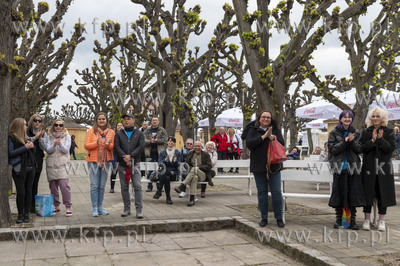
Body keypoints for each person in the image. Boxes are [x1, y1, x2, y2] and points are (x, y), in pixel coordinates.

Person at [246, 111, 285, 228]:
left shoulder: (275, 129)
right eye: (264, 117)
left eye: (268, 117)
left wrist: (274, 137)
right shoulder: (253, 130)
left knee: (277, 192)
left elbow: (282, 143)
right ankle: (264, 217)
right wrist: (264, 136)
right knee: (262, 192)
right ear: (259, 118)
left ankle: (279, 217)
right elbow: (249, 144)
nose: (266, 119)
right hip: (258, 166)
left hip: (274, 166)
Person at [360, 107, 396, 231]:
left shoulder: (389, 132)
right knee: (368, 193)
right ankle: (367, 219)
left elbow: (390, 149)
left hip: (384, 168)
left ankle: (381, 221)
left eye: (378, 116)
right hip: (369, 167)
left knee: (383, 193)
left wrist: (380, 140)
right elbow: (362, 148)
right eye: (373, 116)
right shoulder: (366, 132)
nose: (375, 119)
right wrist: (372, 140)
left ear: (382, 118)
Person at [327, 110, 365, 230]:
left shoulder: (356, 132)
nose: (347, 119)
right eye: (345, 117)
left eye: (349, 117)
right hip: (339, 168)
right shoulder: (334, 132)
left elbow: (360, 149)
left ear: (352, 119)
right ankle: (339, 220)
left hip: (352, 168)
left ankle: (352, 221)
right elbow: (332, 150)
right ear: (341, 119)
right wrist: (345, 141)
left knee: (352, 195)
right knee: (339, 194)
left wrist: (352, 141)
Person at [84, 112, 115, 217]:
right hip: (93, 162)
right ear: (96, 121)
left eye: (103, 119)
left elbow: (112, 148)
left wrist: (108, 144)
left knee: (101, 186)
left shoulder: (111, 132)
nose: (101, 121)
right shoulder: (91, 131)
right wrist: (96, 143)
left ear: (107, 120)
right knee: (94, 186)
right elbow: (86, 146)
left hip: (106, 162)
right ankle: (94, 208)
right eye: (99, 119)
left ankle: (100, 207)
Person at [114, 113, 145, 218]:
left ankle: (139, 210)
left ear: (133, 120)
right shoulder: (118, 133)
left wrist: (131, 157)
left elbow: (141, 147)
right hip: (123, 164)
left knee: (137, 186)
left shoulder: (139, 133)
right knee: (124, 187)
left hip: (135, 164)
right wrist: (124, 157)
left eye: (128, 119)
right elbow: (117, 147)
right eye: (124, 119)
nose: (126, 121)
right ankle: (127, 209)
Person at [8, 118, 37, 223]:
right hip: (18, 169)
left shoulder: (26, 137)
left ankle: (26, 214)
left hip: (30, 167)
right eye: (25, 124)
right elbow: (11, 153)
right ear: (19, 126)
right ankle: (20, 214)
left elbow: (32, 152)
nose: (26, 126)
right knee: (21, 192)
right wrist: (25, 147)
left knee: (29, 191)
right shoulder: (11, 138)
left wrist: (31, 146)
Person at [45, 119, 73, 216]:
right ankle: (56, 206)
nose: (58, 127)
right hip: (51, 165)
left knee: (64, 186)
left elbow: (66, 150)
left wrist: (60, 143)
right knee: (53, 188)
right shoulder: (49, 136)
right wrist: (54, 145)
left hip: (63, 165)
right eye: (56, 125)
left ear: (63, 126)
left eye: (60, 125)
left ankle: (68, 207)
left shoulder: (67, 136)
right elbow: (48, 150)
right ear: (53, 126)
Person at [174, 141, 213, 206]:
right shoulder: (190, 154)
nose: (197, 147)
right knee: (195, 177)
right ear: (194, 147)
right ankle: (191, 199)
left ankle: (183, 185)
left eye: (199, 146)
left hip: (203, 175)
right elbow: (186, 165)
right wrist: (194, 168)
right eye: (196, 146)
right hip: (193, 174)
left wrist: (198, 167)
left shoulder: (206, 155)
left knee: (195, 169)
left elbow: (209, 166)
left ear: (201, 147)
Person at [27, 114, 47, 213]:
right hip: (28, 161)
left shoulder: (44, 133)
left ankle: (32, 207)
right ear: (32, 121)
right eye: (35, 120)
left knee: (35, 184)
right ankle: (26, 206)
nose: (37, 122)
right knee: (28, 184)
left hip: (38, 161)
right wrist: (34, 137)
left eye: (39, 121)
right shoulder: (27, 131)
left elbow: (44, 148)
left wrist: (40, 138)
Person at [153, 136, 181, 204]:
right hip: (164, 173)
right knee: (167, 177)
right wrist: (165, 160)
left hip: (173, 173)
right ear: (167, 142)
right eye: (169, 141)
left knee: (166, 174)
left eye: (172, 141)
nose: (170, 142)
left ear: (174, 143)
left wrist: (175, 162)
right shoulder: (163, 152)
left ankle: (159, 190)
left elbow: (179, 164)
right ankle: (168, 198)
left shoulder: (177, 152)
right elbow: (160, 163)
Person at [143, 117, 168, 192]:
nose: (154, 121)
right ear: (151, 122)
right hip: (149, 152)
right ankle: (149, 186)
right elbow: (143, 140)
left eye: (156, 120)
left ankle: (159, 186)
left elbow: (165, 139)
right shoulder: (147, 130)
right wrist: (150, 142)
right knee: (150, 169)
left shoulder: (162, 130)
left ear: (158, 121)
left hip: (159, 153)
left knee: (159, 169)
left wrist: (157, 141)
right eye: (153, 120)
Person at [110, 122, 124, 193]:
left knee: (125, 173)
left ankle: (124, 187)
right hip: (115, 155)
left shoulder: (125, 134)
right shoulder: (113, 134)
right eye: (118, 125)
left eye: (121, 125)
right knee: (114, 172)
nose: (119, 126)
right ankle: (112, 187)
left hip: (123, 156)